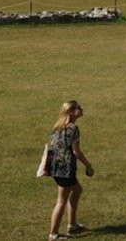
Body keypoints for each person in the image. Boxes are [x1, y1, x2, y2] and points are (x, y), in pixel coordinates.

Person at [47, 100, 94, 240]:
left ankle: (72, 225)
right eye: (79, 107)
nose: (82, 108)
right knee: (61, 201)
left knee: (77, 190)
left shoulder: (57, 127)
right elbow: (76, 152)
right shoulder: (73, 129)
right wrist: (88, 166)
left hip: (56, 167)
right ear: (71, 112)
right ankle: (53, 235)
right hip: (66, 170)